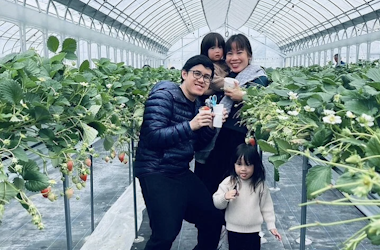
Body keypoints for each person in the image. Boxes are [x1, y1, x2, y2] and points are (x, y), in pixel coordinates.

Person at [134, 54, 225, 250]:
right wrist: (191, 125)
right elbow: (152, 136)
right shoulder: (164, 95)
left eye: (207, 77)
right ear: (184, 74)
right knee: (165, 234)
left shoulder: (198, 105)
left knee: (213, 218)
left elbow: (197, 145)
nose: (201, 80)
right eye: (197, 74)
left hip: (180, 171)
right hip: (156, 170)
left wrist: (209, 126)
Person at [195, 33, 269, 195]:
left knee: (238, 194)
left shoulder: (258, 77)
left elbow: (267, 99)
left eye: (239, 52)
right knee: (211, 194)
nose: (234, 58)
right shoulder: (224, 76)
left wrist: (243, 95)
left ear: (249, 55)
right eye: (230, 53)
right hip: (214, 143)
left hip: (240, 146)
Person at [213, 142, 282, 250]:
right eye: (239, 164)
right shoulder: (229, 182)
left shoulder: (260, 185)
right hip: (233, 231)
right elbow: (217, 202)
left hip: (253, 232)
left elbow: (266, 207)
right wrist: (225, 197)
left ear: (255, 165)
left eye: (248, 165)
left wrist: (271, 225)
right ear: (234, 164)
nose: (243, 169)